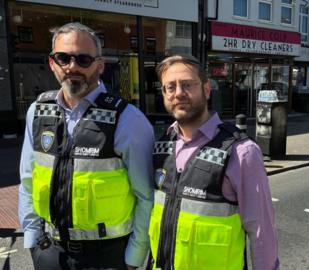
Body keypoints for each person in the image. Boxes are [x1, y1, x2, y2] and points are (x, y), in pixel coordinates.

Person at [18, 22, 154, 269]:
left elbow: (146, 197)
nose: (72, 67)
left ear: (100, 65)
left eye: (83, 59)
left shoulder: (128, 120)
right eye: (63, 58)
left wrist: (134, 259)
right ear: (52, 63)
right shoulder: (37, 112)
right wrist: (32, 241)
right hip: (50, 252)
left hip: (107, 256)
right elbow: (28, 180)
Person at [149, 54, 279, 270]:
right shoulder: (162, 145)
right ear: (164, 94)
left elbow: (261, 232)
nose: (178, 93)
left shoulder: (242, 152)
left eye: (187, 84)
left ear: (206, 90)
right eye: (170, 87)